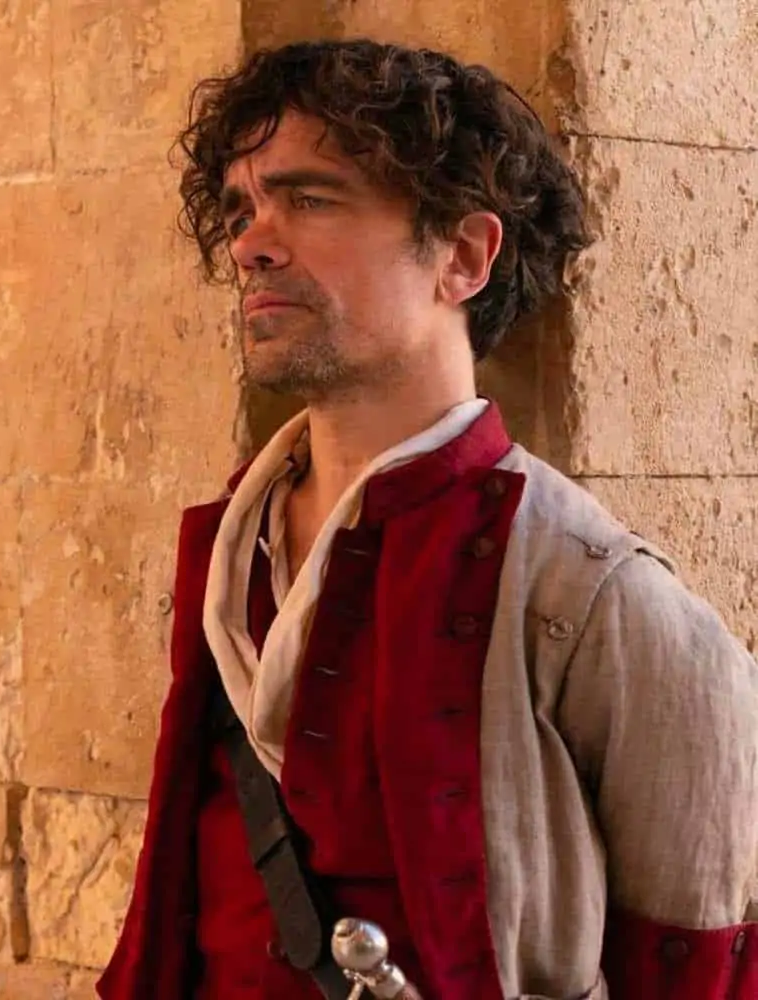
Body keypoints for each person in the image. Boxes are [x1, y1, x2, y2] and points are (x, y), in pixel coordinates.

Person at [98, 39, 758, 1000]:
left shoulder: (591, 594)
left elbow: (698, 968)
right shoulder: (232, 550)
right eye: (241, 211)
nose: (251, 245)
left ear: (463, 256)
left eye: (310, 199)